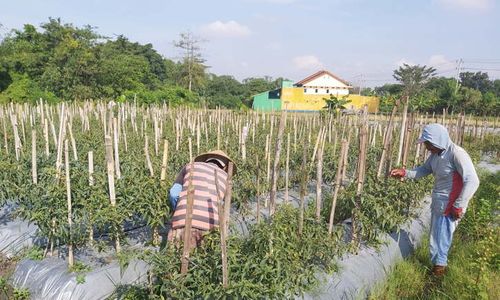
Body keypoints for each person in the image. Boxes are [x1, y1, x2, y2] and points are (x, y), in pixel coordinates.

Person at [390, 123, 479, 276]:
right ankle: (437, 267)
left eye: (428, 144)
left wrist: (459, 205)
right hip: (439, 203)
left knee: (441, 238)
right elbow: (424, 170)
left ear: (438, 140)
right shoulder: (436, 155)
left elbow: (472, 180)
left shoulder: (457, 154)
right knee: (436, 237)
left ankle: (438, 272)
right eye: (426, 144)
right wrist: (405, 173)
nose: (427, 147)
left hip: (450, 206)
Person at [168, 150, 236, 247]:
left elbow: (173, 194)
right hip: (210, 226)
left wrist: (178, 210)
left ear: (206, 160)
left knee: (175, 256)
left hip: (182, 220)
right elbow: (221, 206)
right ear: (225, 167)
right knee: (202, 258)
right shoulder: (226, 178)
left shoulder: (190, 166)